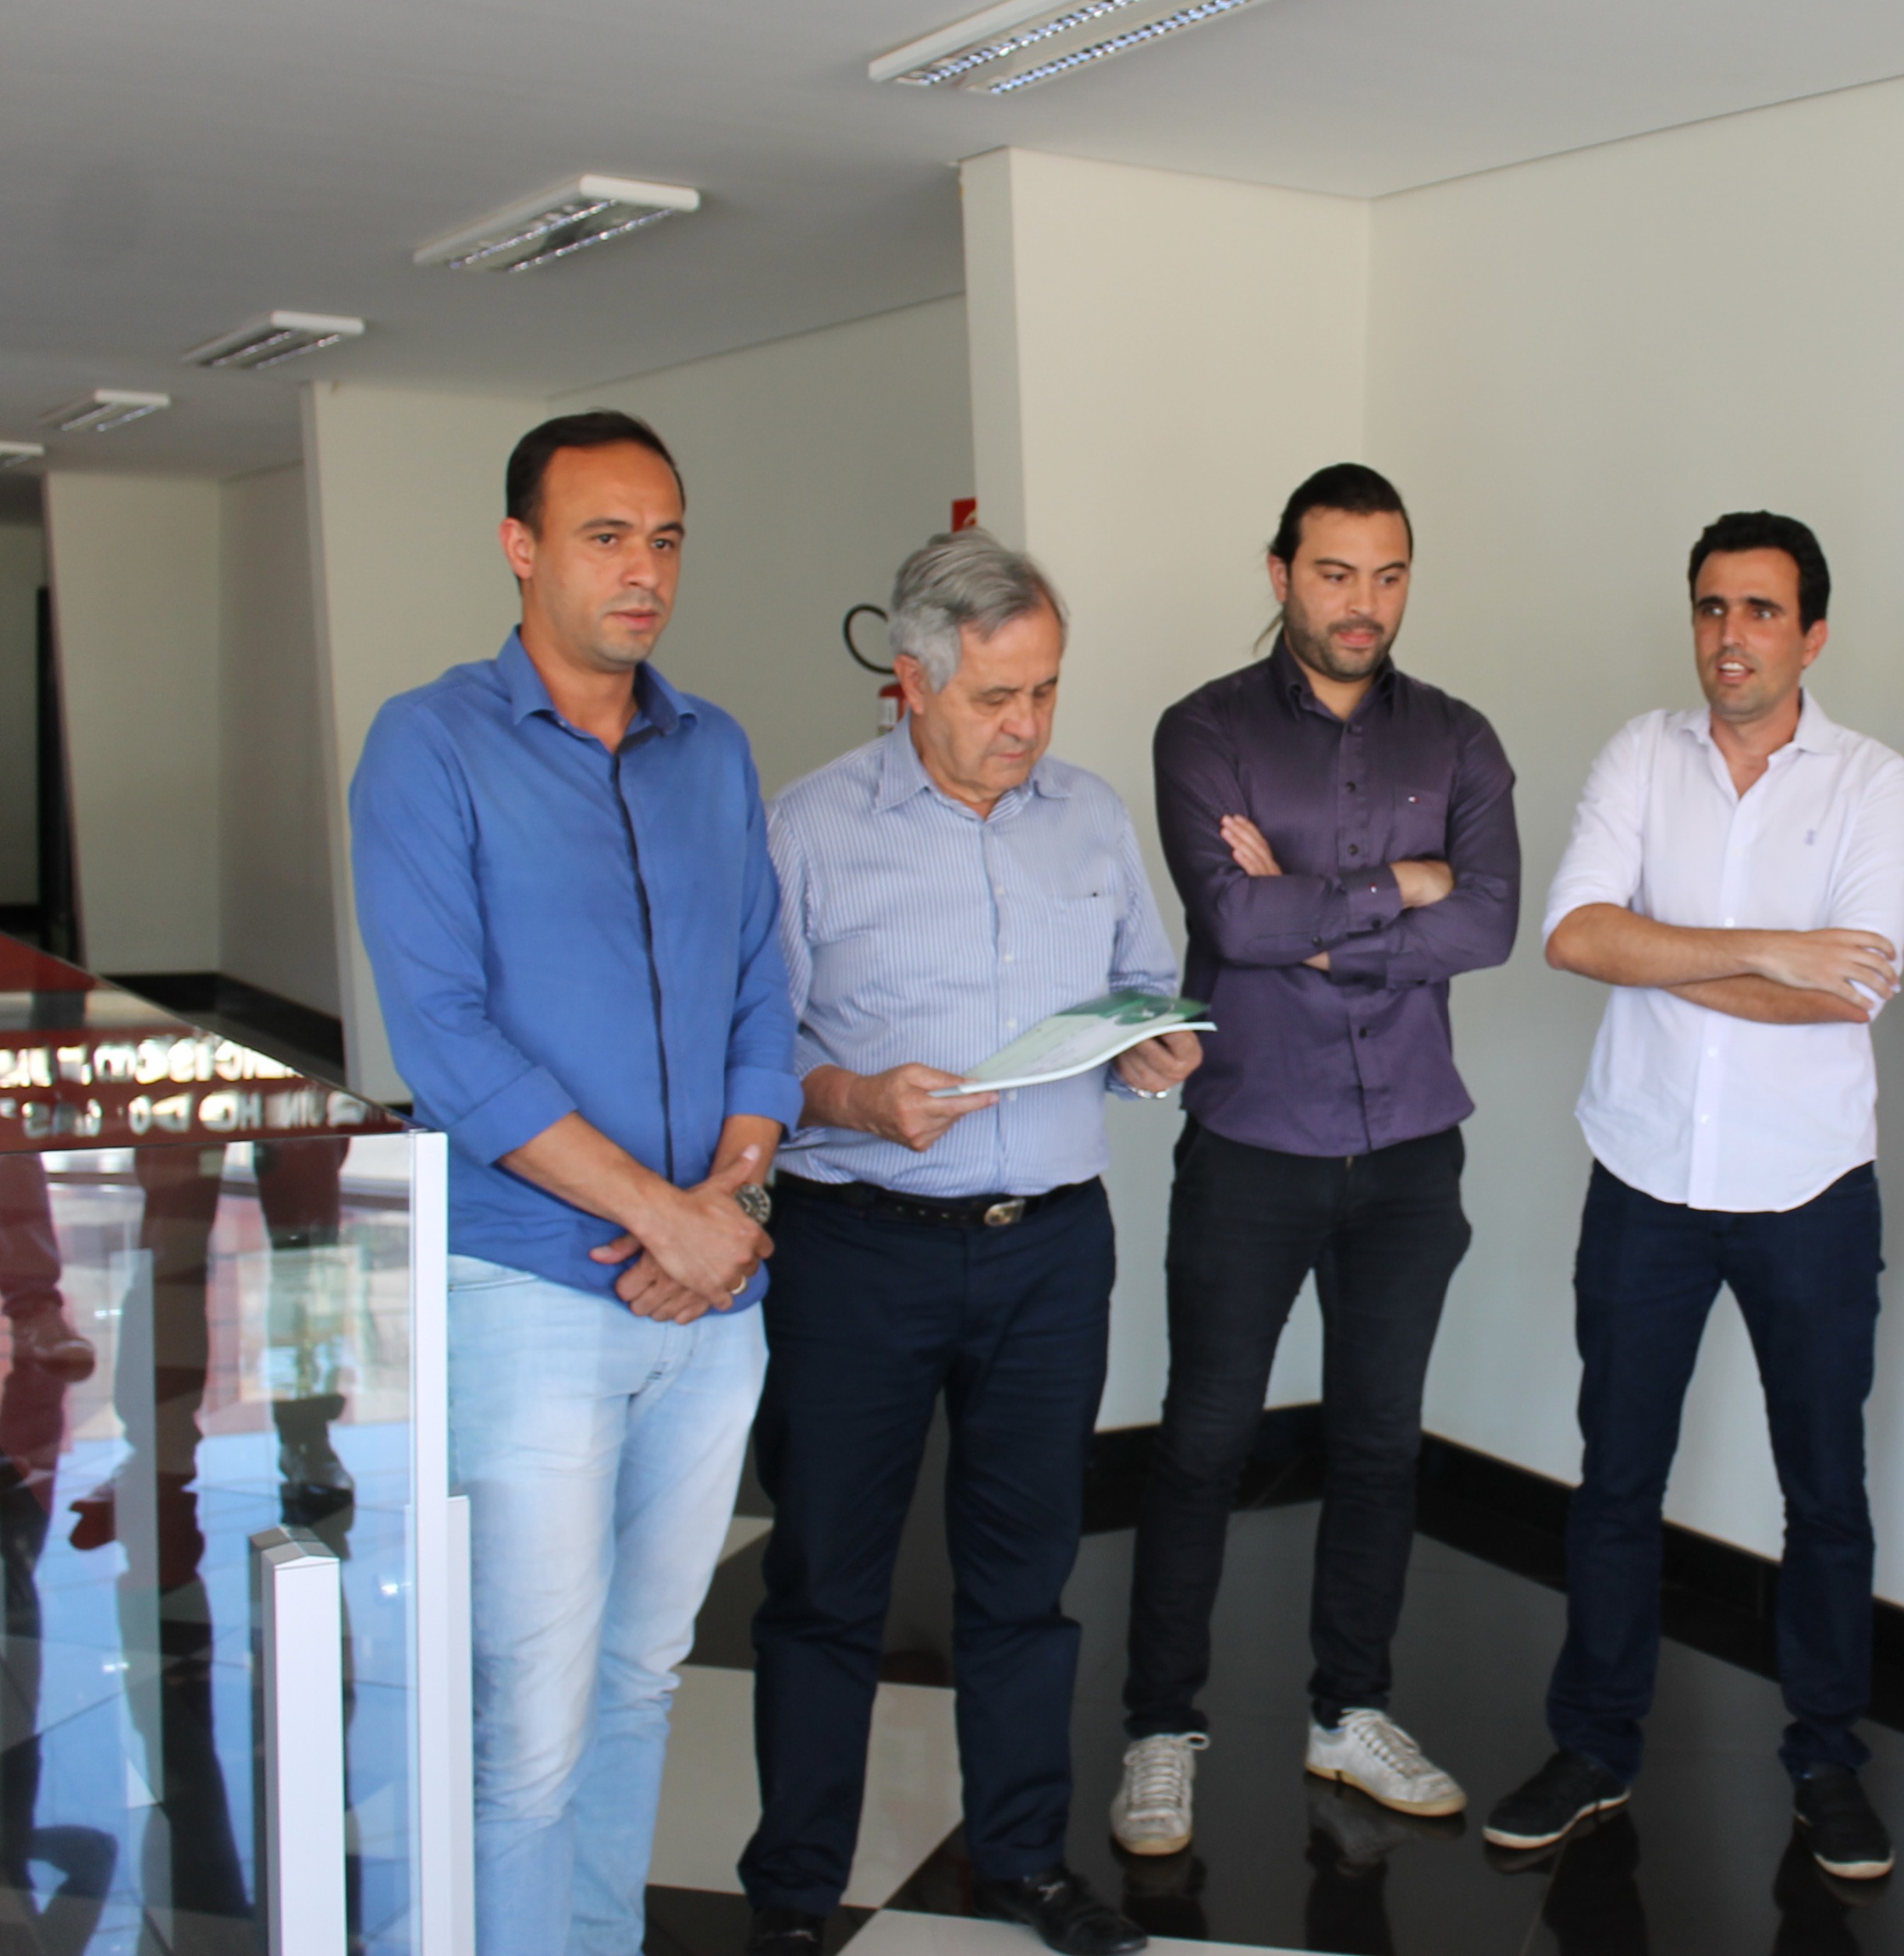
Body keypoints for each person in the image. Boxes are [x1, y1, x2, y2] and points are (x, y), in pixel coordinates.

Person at [350, 410, 798, 1956]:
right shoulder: (430, 743)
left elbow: (760, 994)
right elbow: (446, 1041)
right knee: (527, 1721)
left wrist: (729, 1200)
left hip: (710, 1293)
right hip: (526, 1290)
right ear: (521, 547)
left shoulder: (713, 747)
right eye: (606, 536)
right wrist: (665, 1214)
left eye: (664, 539)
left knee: (638, 1680)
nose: (643, 570)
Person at [738, 531, 1188, 1956]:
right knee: (827, 1579)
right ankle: (796, 1888)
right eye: (998, 696)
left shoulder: (1090, 816)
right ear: (914, 679)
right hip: (858, 1245)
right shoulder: (809, 827)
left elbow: (1145, 982)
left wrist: (1153, 1050)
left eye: (1046, 691)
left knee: (1025, 1575)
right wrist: (856, 1098)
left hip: (1051, 1248)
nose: (1027, 725)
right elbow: (751, 1050)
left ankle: (1024, 1860)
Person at [1483, 510, 1904, 1881]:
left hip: (1809, 1189)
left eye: (1762, 611)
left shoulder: (1874, 781)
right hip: (1646, 1175)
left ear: (1813, 634)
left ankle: (1827, 1758)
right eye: (1713, 607)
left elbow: (1850, 992)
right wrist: (1775, 950)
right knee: (1616, 1480)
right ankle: (1593, 1747)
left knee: (1825, 1489)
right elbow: (1574, 935)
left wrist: (1672, 957)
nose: (1732, 635)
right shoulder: (1639, 754)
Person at [1119, 463, 1518, 1857]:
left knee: (1379, 1438)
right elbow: (1233, 922)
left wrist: (1313, 915)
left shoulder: (1458, 736)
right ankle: (1159, 1727)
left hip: (1410, 1145)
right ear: (1281, 571)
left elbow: (1489, 923)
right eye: (1336, 572)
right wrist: (1400, 884)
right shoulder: (1204, 730)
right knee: (1203, 1438)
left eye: (1388, 574)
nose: (1364, 603)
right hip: (1253, 1136)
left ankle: (1351, 1711)